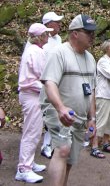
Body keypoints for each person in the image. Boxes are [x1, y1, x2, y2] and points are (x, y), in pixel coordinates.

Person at [40, 14, 97, 186]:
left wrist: (92, 118)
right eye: (88, 33)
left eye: (93, 33)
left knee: (71, 159)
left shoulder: (90, 58)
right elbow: (49, 83)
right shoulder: (59, 53)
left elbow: (92, 91)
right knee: (63, 150)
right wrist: (60, 108)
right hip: (58, 111)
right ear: (75, 33)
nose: (92, 37)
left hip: (79, 115)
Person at [15, 23, 53, 183]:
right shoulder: (35, 51)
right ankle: (24, 168)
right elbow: (42, 74)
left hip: (32, 94)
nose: (48, 37)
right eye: (46, 34)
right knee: (31, 132)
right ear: (40, 37)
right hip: (31, 94)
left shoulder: (33, 50)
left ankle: (29, 162)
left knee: (33, 131)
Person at [41, 11, 64, 159]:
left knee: (53, 114)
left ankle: (47, 145)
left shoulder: (59, 39)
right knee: (41, 116)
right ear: (49, 25)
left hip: (55, 81)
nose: (60, 25)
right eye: (57, 22)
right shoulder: (41, 40)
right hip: (42, 83)